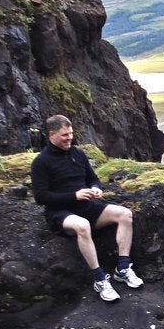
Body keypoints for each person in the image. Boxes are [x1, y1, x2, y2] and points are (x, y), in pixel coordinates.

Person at [30, 114, 142, 302]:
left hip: (87, 206)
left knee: (125, 214)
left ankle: (122, 268)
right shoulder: (41, 161)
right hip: (60, 213)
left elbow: (93, 179)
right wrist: (74, 196)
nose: (69, 138)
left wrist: (96, 189)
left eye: (71, 134)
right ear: (51, 134)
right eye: (65, 135)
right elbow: (41, 197)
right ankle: (99, 279)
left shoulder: (78, 154)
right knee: (83, 226)